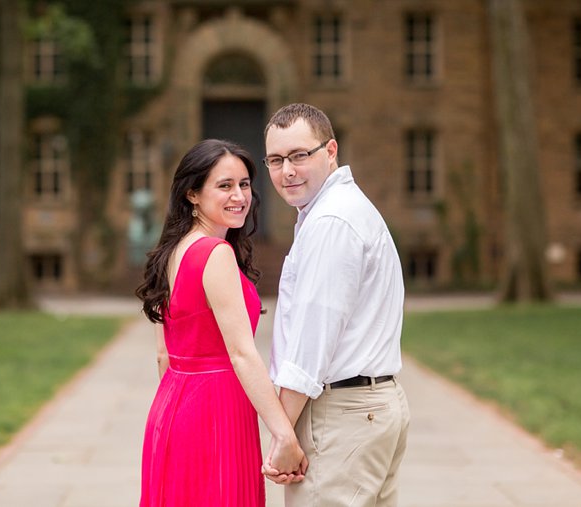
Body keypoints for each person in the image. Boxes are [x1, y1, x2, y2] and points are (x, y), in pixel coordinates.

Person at [136, 139, 307, 506]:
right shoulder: (214, 254)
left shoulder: (170, 252)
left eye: (244, 184)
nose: (239, 196)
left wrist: (178, 412)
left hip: (172, 407)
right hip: (216, 412)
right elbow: (242, 353)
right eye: (225, 185)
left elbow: (163, 357)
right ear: (192, 194)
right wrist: (284, 435)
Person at [261, 103, 410, 506]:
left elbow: (311, 344)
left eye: (298, 155)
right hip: (370, 410)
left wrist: (282, 435)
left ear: (330, 151)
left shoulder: (331, 222)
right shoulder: (339, 210)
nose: (286, 170)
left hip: (343, 415)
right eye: (275, 160)